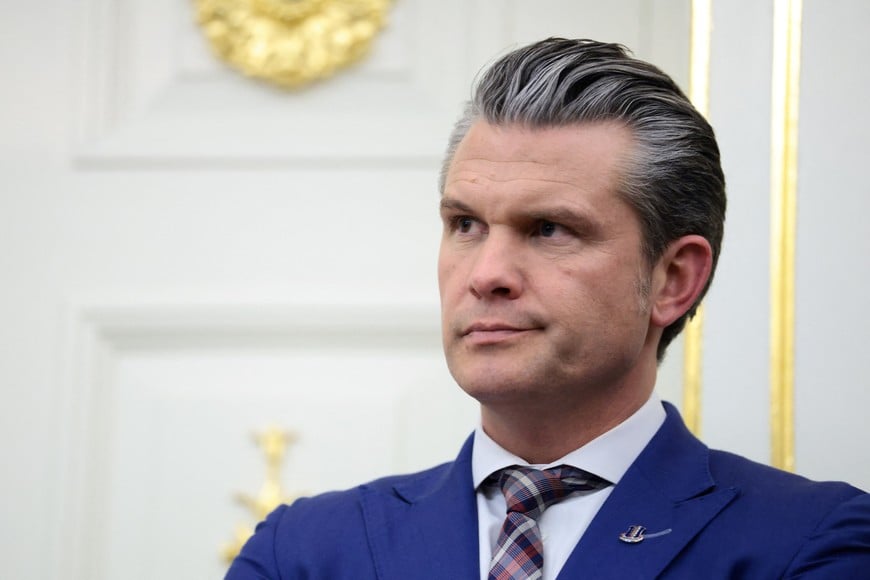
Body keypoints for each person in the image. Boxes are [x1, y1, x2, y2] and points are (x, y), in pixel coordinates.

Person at [226, 38, 870, 579]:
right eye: (466, 224)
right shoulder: (304, 553)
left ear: (674, 278)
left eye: (548, 230)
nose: (486, 275)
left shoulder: (807, 543)